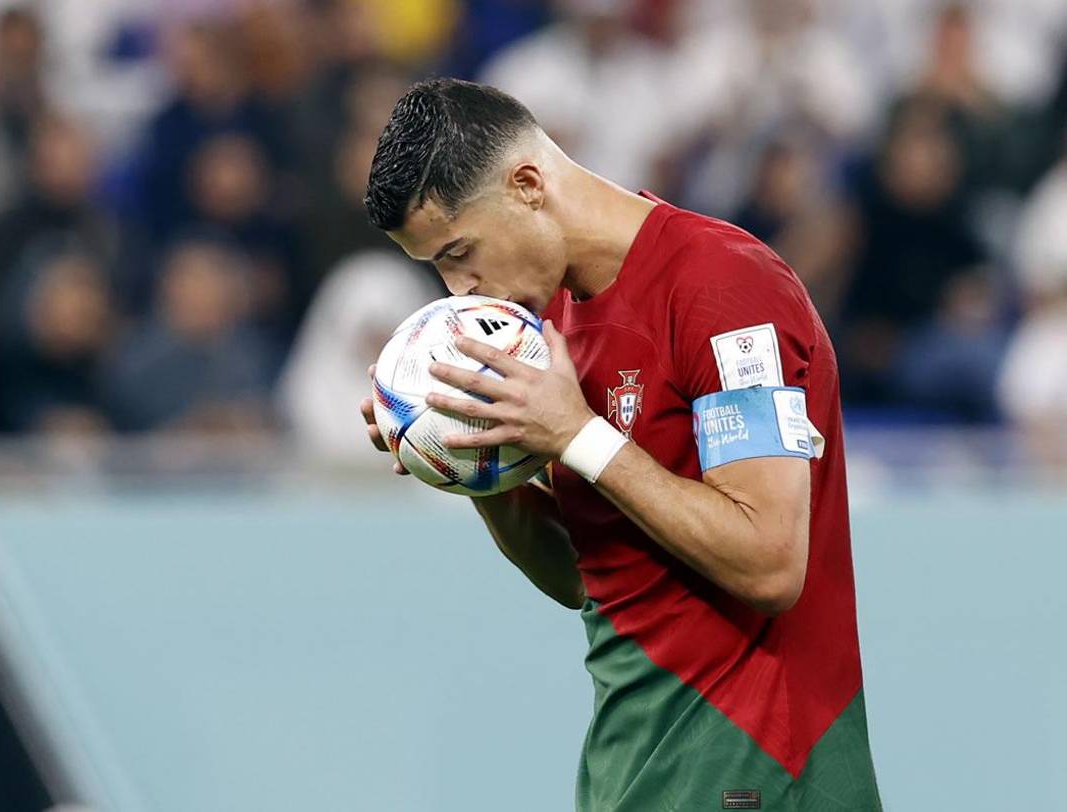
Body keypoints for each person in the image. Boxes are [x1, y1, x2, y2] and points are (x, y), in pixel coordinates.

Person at [358, 79, 882, 810]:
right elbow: (595, 580)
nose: (458, 289)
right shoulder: (551, 326)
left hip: (755, 769)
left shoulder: (725, 288)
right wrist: (472, 460)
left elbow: (770, 562)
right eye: (438, 270)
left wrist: (575, 432)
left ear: (529, 184)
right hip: (629, 769)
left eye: (459, 252)